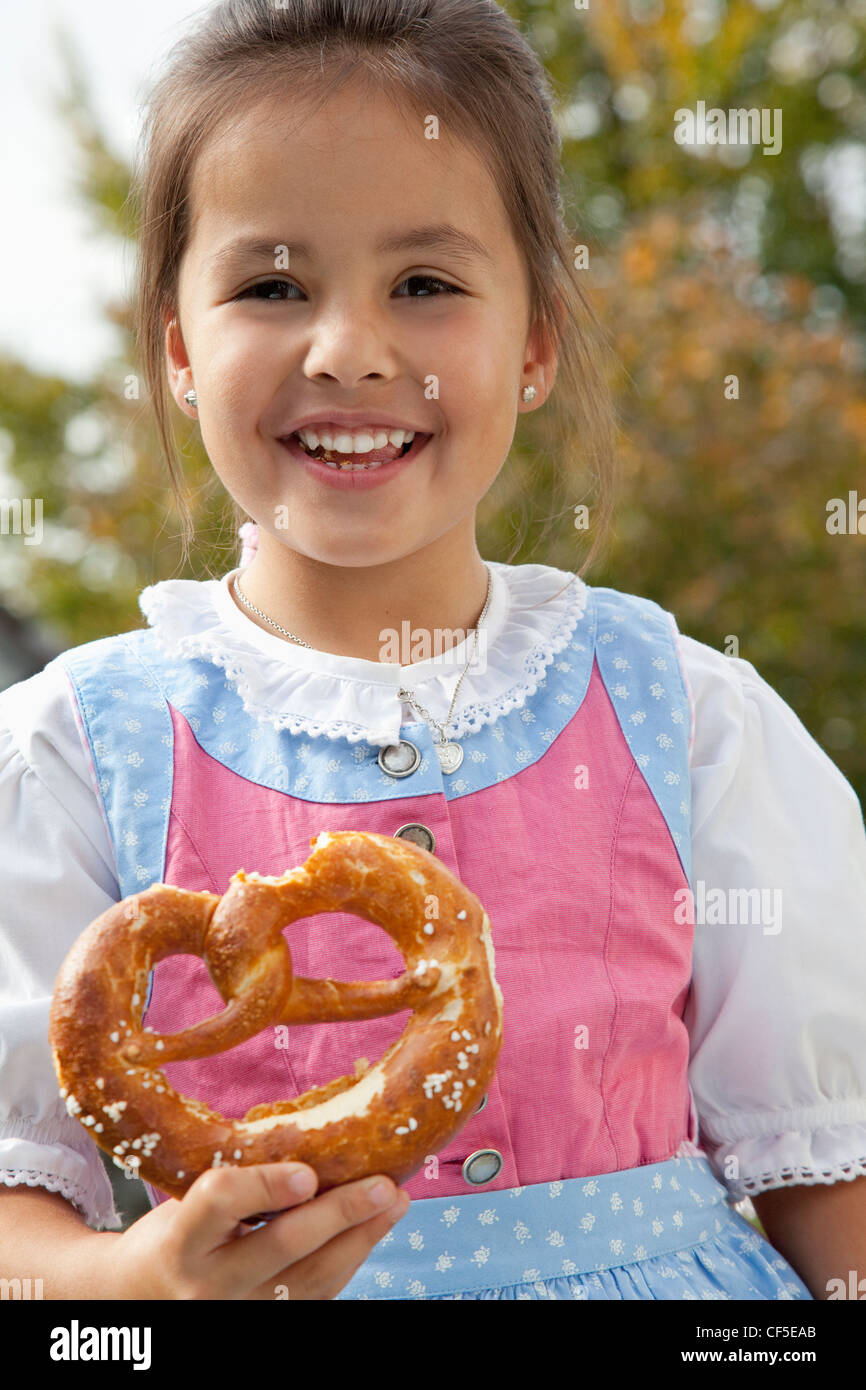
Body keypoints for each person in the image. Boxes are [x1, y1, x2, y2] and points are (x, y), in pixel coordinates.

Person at [1, 0, 865, 1302]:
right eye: (272, 286)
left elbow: (828, 1183)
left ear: (531, 343)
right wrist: (120, 1284)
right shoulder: (73, 748)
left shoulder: (686, 715)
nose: (349, 349)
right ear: (181, 350)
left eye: (424, 284)